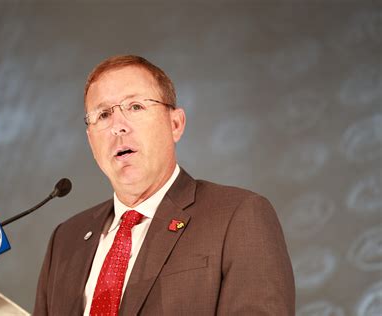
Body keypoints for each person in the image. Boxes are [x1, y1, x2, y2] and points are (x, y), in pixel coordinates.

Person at [34, 55, 295, 315]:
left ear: (175, 124)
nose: (118, 127)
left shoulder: (238, 215)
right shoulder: (65, 240)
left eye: (135, 106)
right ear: (91, 143)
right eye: (103, 115)